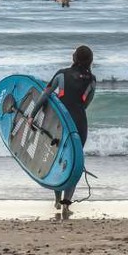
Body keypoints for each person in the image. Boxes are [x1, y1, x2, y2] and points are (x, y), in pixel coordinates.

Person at [29, 45, 97, 207]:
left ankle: (57, 199)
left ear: (73, 58)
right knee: (72, 161)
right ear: (90, 61)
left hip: (60, 122)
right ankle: (67, 202)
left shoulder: (61, 74)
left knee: (56, 158)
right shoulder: (92, 79)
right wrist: (76, 112)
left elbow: (45, 95)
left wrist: (32, 115)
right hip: (79, 124)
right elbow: (87, 101)